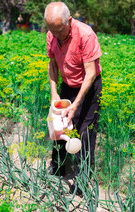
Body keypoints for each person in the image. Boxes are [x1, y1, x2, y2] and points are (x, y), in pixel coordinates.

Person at [44, 2, 102, 179]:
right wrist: (54, 92)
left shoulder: (85, 35)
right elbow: (52, 64)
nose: (56, 35)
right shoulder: (52, 34)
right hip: (66, 85)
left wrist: (76, 104)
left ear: (69, 20)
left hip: (88, 86)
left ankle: (81, 182)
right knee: (59, 128)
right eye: (52, 30)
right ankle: (58, 171)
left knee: (84, 133)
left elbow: (91, 72)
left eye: (60, 30)